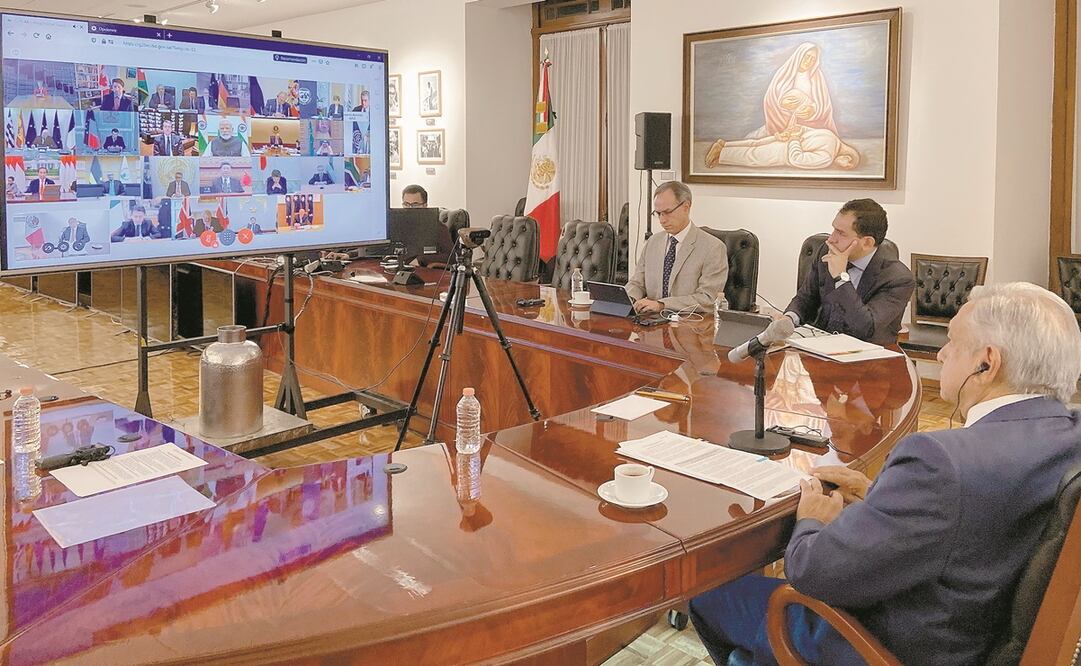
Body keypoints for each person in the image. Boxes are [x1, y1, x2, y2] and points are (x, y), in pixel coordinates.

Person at [690, 282, 1081, 666]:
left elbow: (814, 572)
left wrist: (812, 520)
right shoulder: (1070, 436)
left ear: (987, 363)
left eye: (953, 342)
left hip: (889, 643)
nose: (942, 355)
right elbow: (977, 515)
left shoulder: (940, 461)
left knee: (707, 592)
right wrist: (886, 495)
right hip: (978, 635)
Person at [783, 199, 915, 345]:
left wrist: (841, 278)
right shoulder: (826, 252)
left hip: (866, 357)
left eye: (841, 233)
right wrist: (789, 318)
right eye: (833, 229)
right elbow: (806, 298)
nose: (831, 239)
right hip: (818, 346)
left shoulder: (899, 279)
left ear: (867, 243)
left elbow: (865, 327)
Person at [625, 181, 728, 314]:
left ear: (686, 206)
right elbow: (637, 283)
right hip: (651, 324)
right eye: (658, 214)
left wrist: (662, 305)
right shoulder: (653, 242)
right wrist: (628, 299)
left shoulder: (713, 248)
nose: (662, 220)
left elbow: (707, 299)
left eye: (667, 212)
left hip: (690, 325)